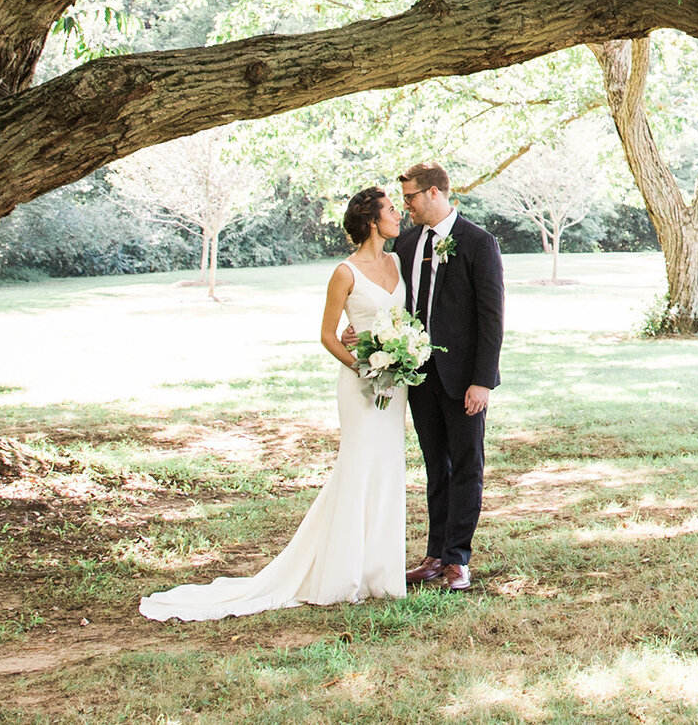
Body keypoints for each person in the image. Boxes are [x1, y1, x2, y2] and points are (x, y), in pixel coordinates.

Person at [139, 187, 410, 621]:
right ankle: (342, 575)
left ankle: (382, 573)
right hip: (362, 386)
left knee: (388, 469)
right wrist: (361, 366)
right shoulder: (345, 272)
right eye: (392, 209)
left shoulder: (397, 261)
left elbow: (399, 321)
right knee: (358, 468)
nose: (399, 214)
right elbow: (327, 334)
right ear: (373, 220)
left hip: (396, 386)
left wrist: (400, 354)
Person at [395, 159, 505, 592]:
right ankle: (434, 554)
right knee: (434, 468)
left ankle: (458, 559)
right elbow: (395, 305)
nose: (406, 207)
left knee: (466, 466)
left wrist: (483, 379)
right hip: (419, 377)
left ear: (435, 193)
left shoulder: (479, 242)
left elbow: (491, 316)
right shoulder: (406, 244)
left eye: (410, 198)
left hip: (464, 380)